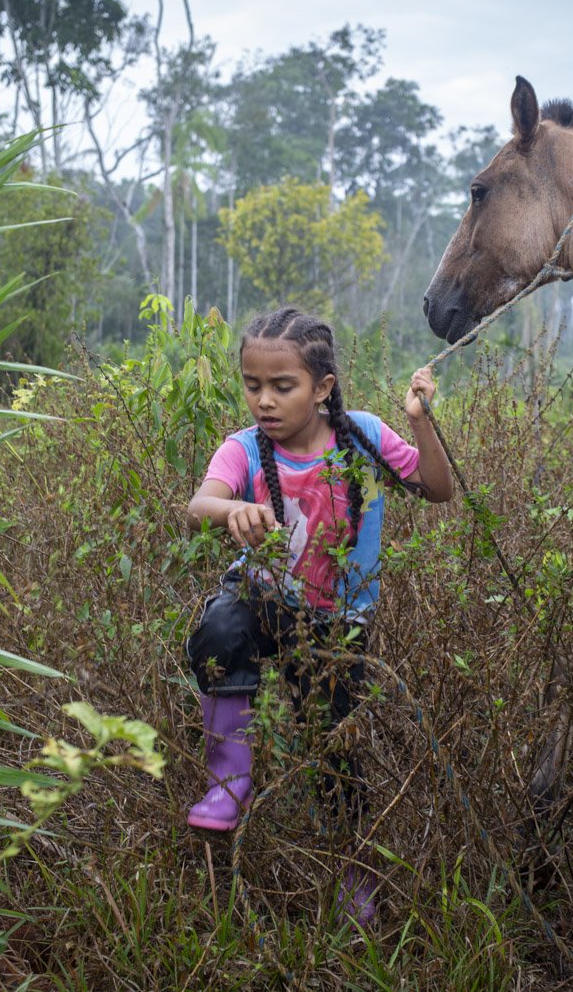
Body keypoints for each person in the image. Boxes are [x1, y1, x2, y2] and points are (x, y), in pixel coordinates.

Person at [183, 306, 454, 925]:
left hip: (338, 626)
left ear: (323, 388)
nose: (264, 401)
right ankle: (229, 783)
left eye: (283, 386)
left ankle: (352, 871)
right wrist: (230, 514)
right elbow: (199, 502)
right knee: (221, 629)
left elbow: (439, 489)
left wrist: (422, 424)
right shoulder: (244, 449)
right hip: (265, 604)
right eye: (253, 385)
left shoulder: (362, 435)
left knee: (338, 754)